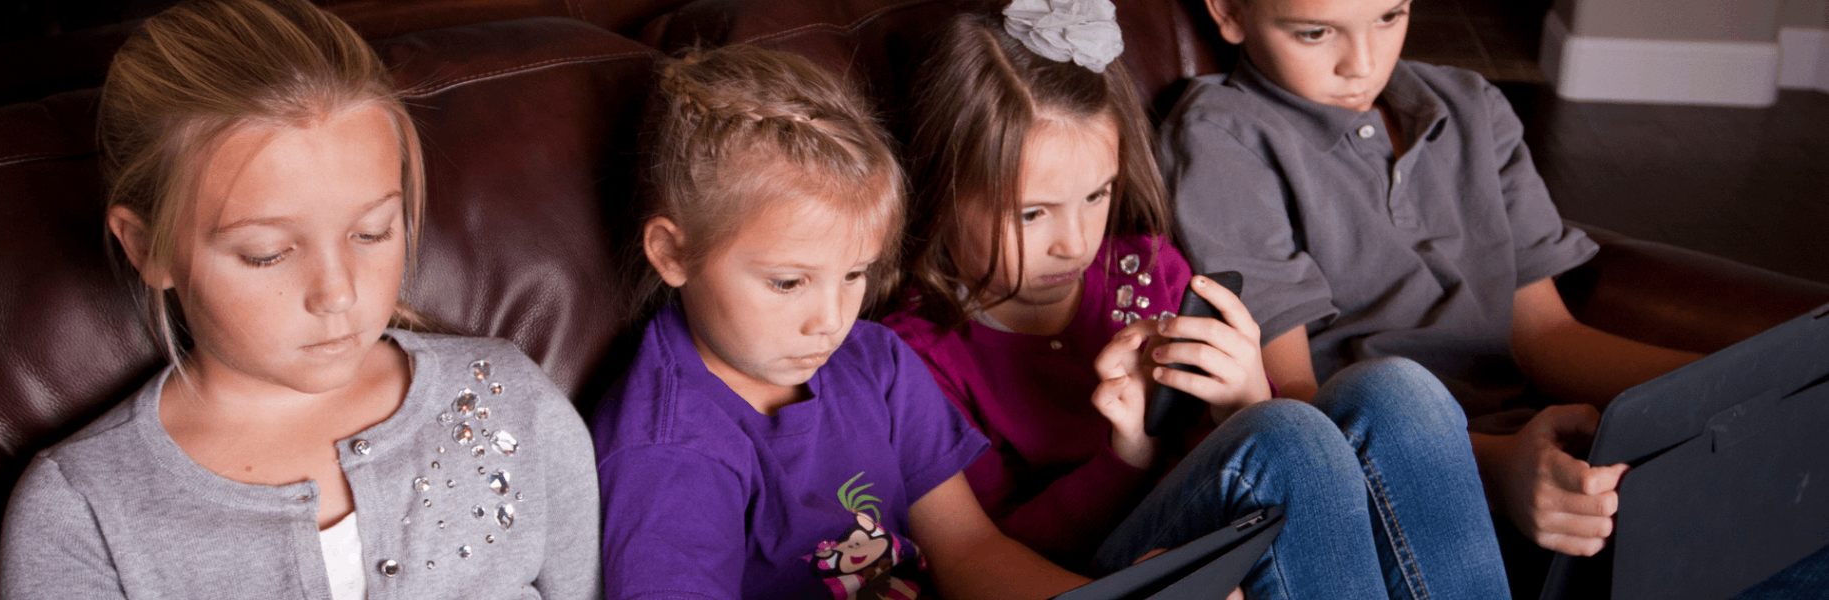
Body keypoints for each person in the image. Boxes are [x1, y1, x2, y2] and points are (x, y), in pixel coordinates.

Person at [878, 3, 1510, 599]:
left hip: (1230, 530)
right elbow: (987, 553)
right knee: (1284, 432)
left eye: (1097, 196)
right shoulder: (916, 353)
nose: (1074, 243)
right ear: (942, 188)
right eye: (1032, 212)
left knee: (1399, 389)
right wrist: (1128, 456)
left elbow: (1250, 446)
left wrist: (1240, 398)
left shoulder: (1147, 270)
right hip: (1100, 572)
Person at [0, 0, 601, 597]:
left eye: (372, 233)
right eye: (267, 253)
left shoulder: (510, 402)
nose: (337, 294)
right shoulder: (80, 513)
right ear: (148, 247)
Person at [1160, 0, 1704, 561]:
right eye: (1316, 33)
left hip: (1535, 445)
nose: (1364, 64)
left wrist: (1721, 385)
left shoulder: (1472, 105)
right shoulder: (1222, 138)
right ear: (1228, 12)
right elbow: (1290, 403)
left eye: (1390, 17)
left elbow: (1545, 336)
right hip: (1387, 487)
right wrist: (1499, 473)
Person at [592, 44, 1098, 600]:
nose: (832, 322)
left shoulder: (876, 362)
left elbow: (970, 550)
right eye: (787, 283)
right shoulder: (669, 450)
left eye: (855, 274)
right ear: (672, 253)